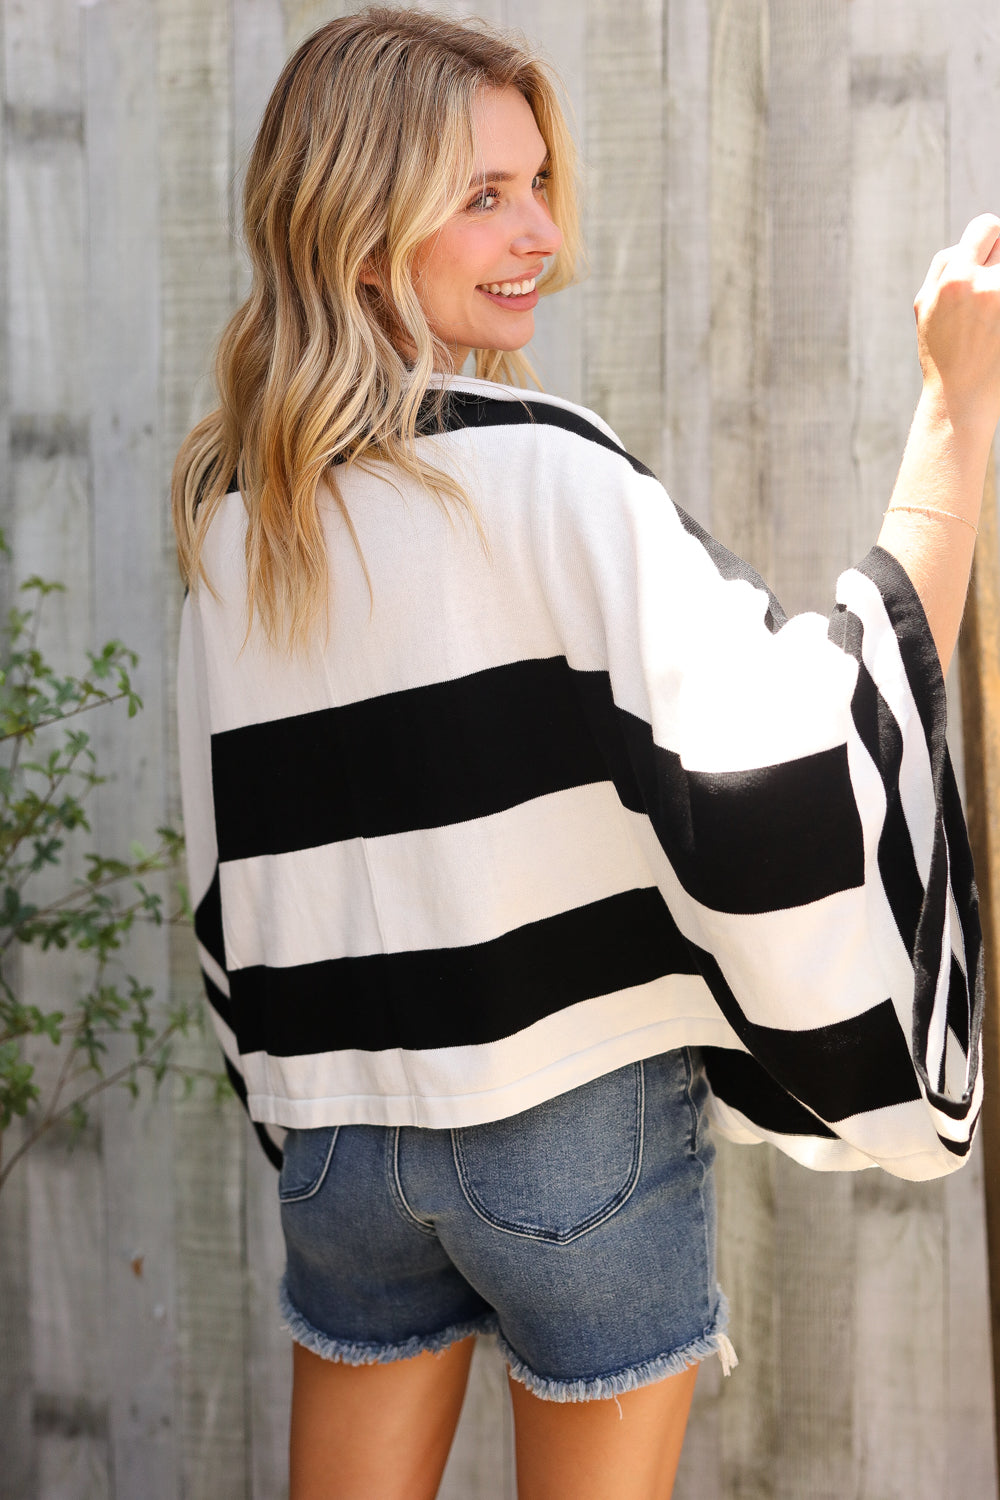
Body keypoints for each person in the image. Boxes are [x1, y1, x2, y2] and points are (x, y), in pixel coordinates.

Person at [172, 9, 993, 1498]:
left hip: (340, 1143)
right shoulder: (550, 470)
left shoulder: (237, 514)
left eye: (539, 182)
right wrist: (956, 409)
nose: (542, 234)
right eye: (483, 195)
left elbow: (232, 877)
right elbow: (803, 782)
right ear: (359, 234)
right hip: (573, 1140)